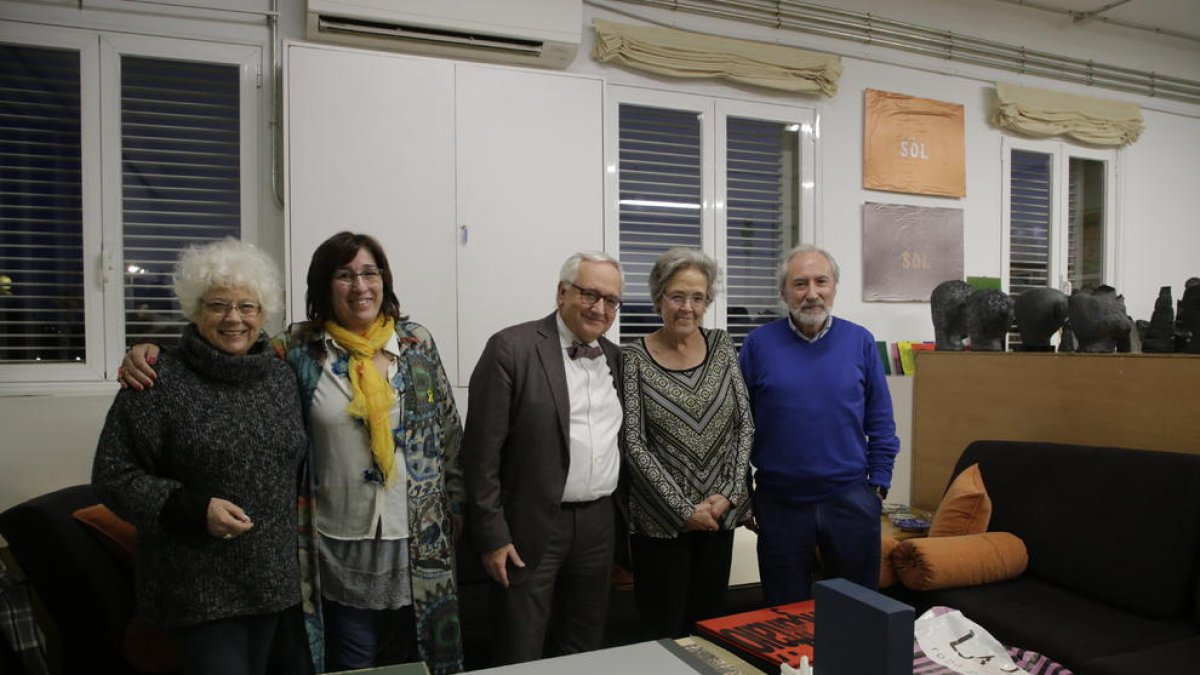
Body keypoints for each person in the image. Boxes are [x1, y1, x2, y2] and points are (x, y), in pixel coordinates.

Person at [119, 232, 465, 674]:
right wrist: (152, 353)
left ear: (384, 280)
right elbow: (226, 350)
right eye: (344, 275)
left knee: (422, 658)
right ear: (324, 286)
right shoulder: (297, 349)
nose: (360, 286)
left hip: (420, 535)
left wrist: (457, 502)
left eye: (369, 273)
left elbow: (449, 432)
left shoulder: (417, 344)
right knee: (351, 659)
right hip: (335, 535)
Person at [93, 238, 306, 675]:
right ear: (194, 309)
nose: (234, 318)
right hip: (195, 591)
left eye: (247, 307)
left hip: (273, 584)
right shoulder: (158, 380)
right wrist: (191, 508)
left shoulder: (281, 379)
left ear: (264, 314)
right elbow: (112, 475)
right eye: (217, 305)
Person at [462, 251, 624, 665]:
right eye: (590, 294)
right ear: (562, 292)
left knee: (583, 646)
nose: (600, 308)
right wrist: (493, 536)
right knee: (521, 648)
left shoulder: (617, 359)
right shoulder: (511, 348)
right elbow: (480, 455)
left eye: (611, 301)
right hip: (530, 526)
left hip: (598, 525)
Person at [738, 245, 899, 605]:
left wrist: (878, 486)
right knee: (783, 614)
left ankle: (854, 665)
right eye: (799, 284)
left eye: (820, 281)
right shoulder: (757, 345)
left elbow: (882, 421)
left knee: (857, 611)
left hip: (851, 500)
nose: (811, 293)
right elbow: (739, 426)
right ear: (783, 293)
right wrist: (744, 493)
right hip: (780, 504)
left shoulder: (860, 342)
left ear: (834, 287)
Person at [619, 248, 754, 639]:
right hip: (659, 527)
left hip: (718, 518)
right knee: (663, 632)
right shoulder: (632, 357)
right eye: (677, 296)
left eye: (698, 297)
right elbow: (633, 443)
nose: (687, 307)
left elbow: (744, 425)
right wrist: (682, 509)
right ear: (659, 297)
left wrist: (727, 494)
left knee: (711, 629)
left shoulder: (723, 345)